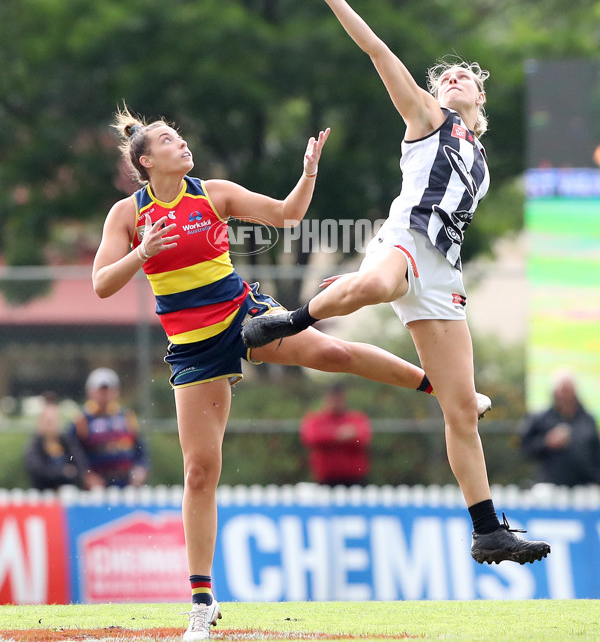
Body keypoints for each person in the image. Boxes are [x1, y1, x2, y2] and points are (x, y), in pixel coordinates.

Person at [92, 108, 489, 641]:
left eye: (180, 136)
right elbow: (100, 285)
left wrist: (307, 176)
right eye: (167, 140)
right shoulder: (128, 215)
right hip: (192, 347)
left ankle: (447, 390)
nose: (181, 143)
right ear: (145, 160)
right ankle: (201, 602)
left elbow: (287, 216)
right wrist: (142, 251)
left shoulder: (211, 192)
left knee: (334, 356)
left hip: (243, 315)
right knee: (200, 472)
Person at [242, 0, 551, 567]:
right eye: (448, 76)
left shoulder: (481, 159)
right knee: (381, 282)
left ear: (480, 98)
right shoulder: (430, 121)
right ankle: (291, 318)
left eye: (466, 77)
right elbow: (380, 53)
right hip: (405, 236)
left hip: (443, 270)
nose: (456, 77)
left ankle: (488, 529)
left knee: (461, 407)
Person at [69, 367, 149, 490]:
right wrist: (87, 475)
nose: (104, 394)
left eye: (108, 390)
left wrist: (140, 469)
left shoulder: (127, 417)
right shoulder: (81, 420)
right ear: (90, 391)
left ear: (116, 391)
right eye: (100, 390)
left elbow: (140, 449)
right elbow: (73, 453)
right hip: (97, 488)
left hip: (127, 484)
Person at [520, 371, 600, 487]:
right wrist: (547, 442)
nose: (565, 397)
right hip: (551, 486)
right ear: (555, 393)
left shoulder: (588, 419)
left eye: (568, 391)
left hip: (585, 486)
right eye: (563, 391)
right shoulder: (541, 418)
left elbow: (595, 453)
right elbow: (525, 449)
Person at [300, 383, 372, 486]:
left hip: (355, 478)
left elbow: (364, 438)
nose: (337, 402)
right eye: (334, 398)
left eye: (339, 399)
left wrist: (331, 437)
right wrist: (338, 435)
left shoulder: (356, 418)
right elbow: (312, 438)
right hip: (326, 478)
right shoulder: (316, 419)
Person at [24, 392, 87, 491]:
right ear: (40, 422)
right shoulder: (35, 445)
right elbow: (37, 470)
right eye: (48, 422)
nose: (51, 426)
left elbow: (80, 464)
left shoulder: (67, 441)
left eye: (54, 421)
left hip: (69, 493)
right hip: (43, 495)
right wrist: (63, 472)